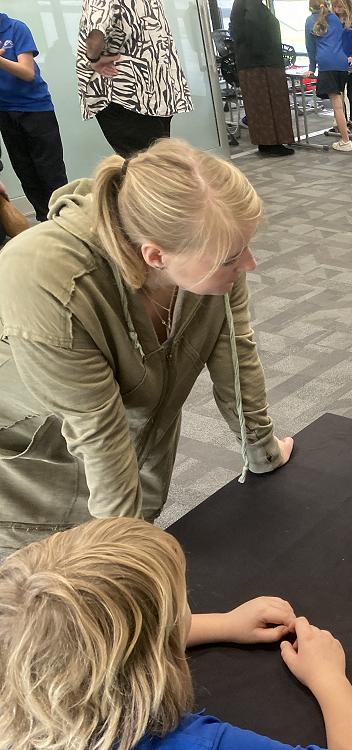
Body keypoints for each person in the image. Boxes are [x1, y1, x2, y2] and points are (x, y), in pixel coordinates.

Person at [0, 139, 294, 555]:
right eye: (232, 258)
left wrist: (262, 450)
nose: (249, 264)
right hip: (27, 464)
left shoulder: (210, 250)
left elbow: (236, 354)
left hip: (123, 450)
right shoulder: (48, 278)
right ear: (155, 256)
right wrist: (129, 554)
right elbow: (98, 433)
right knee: (53, 579)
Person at [0, 517, 352, 750]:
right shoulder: (190, 743)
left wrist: (224, 623)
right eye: (181, 605)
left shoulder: (20, 670)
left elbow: (88, 643)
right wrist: (328, 680)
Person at [77, 0, 192, 157]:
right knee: (159, 159)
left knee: (142, 164)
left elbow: (96, 32)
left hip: (123, 90)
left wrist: (93, 59)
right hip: (158, 88)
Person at [0, 12, 68, 222]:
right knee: (26, 173)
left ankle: (67, 219)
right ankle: (44, 221)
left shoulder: (15, 28)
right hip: (5, 112)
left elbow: (27, 72)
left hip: (36, 109)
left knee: (51, 171)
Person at [230, 0, 296, 158]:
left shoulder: (242, 5)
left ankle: (267, 143)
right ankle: (272, 143)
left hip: (253, 64)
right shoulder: (251, 4)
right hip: (262, 65)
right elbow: (255, 29)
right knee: (268, 104)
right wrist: (263, 53)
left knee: (259, 106)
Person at [306, 0, 352, 152]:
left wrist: (311, 69)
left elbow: (311, 48)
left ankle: (345, 141)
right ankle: (342, 128)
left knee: (338, 105)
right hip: (341, 63)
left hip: (328, 64)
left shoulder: (310, 21)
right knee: (339, 101)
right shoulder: (334, 19)